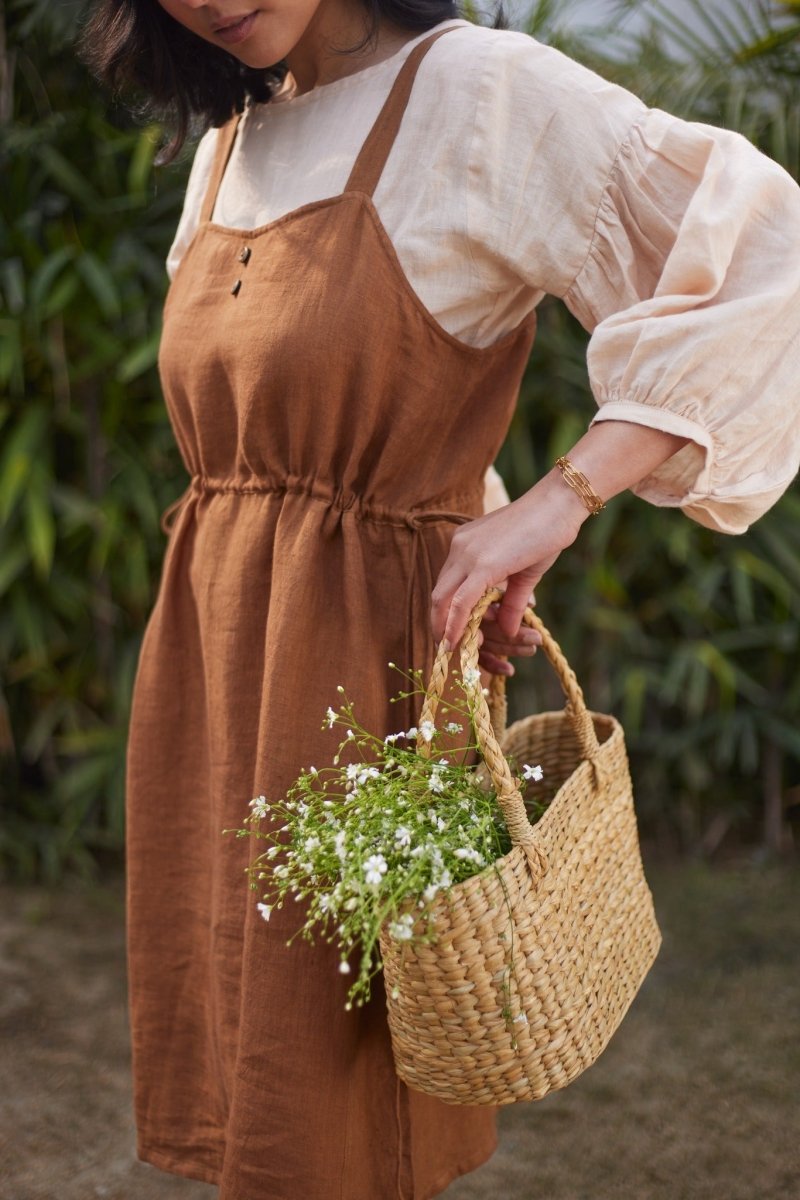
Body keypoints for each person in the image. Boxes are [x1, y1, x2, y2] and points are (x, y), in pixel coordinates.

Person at [79, 1, 800, 1196]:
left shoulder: (478, 92)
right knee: (246, 1070)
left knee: (334, 1103)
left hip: (353, 675)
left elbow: (764, 254)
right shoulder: (234, 138)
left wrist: (559, 502)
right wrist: (483, 519)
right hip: (214, 658)